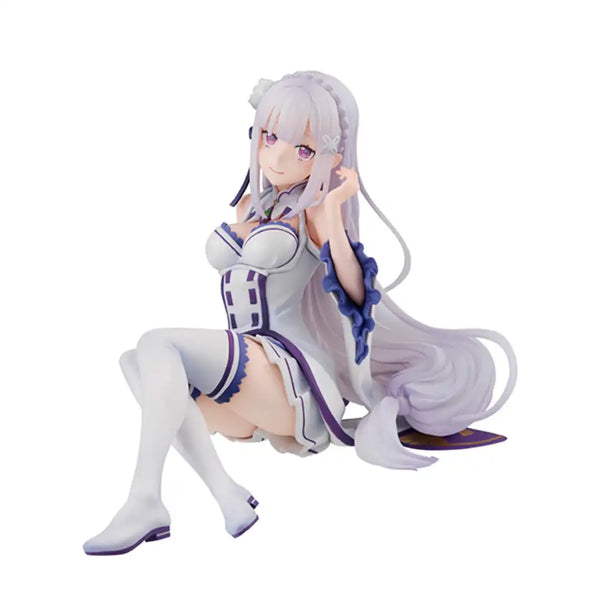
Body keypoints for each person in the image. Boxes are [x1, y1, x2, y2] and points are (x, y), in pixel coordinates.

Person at [83, 71, 517, 556]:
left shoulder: (312, 212)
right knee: (135, 362)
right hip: (249, 381)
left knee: (156, 342)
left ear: (329, 156)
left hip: (293, 376)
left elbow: (355, 292)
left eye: (303, 149)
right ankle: (228, 496)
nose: (278, 157)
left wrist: (333, 210)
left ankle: (144, 500)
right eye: (269, 137)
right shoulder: (252, 206)